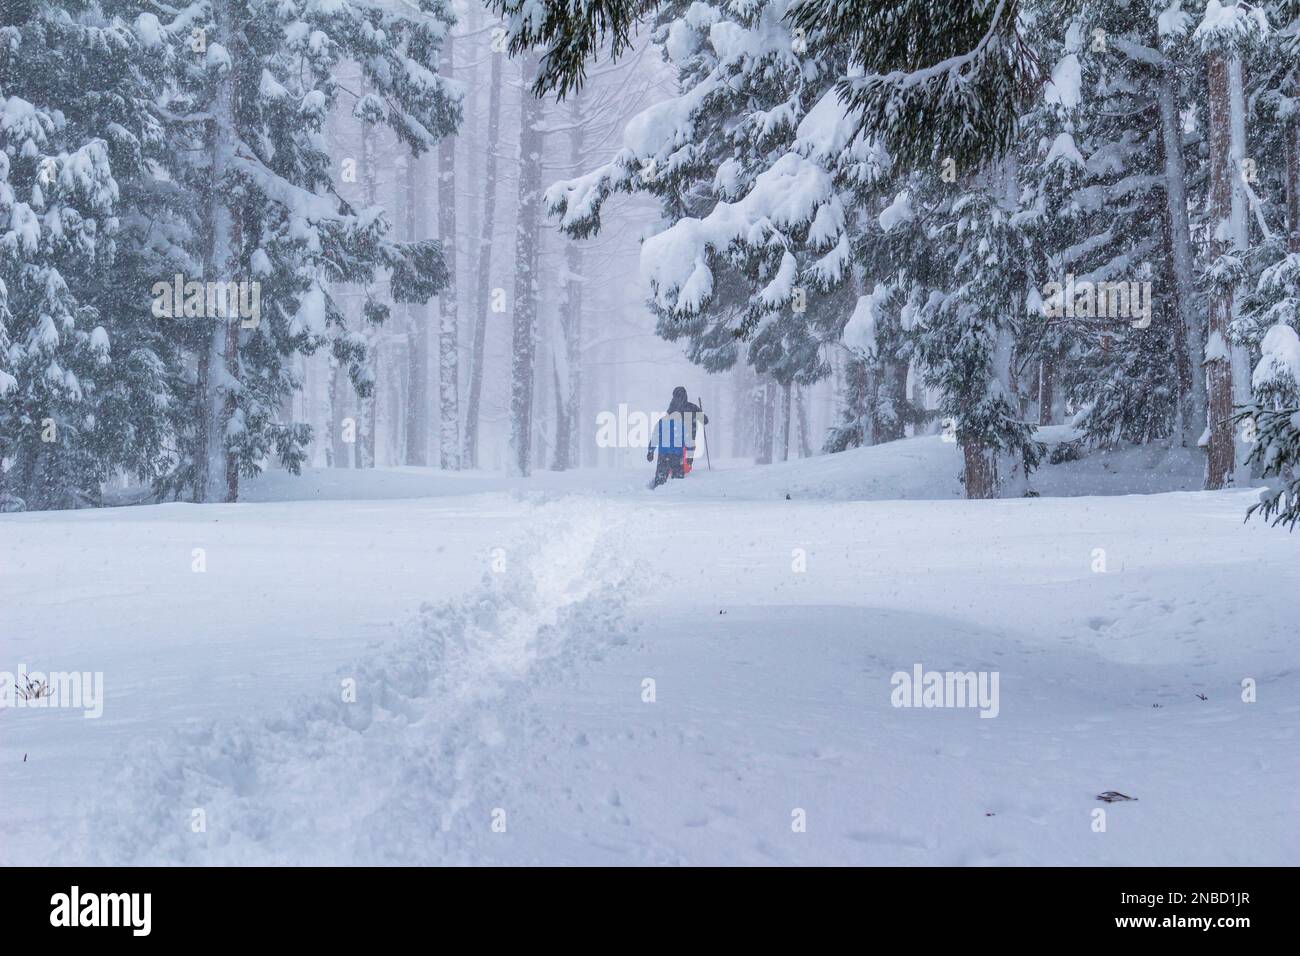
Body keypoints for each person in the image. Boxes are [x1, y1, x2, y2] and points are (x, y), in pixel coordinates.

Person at [647, 387, 708, 488]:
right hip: (685, 441)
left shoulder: (672, 407)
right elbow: (705, 421)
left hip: (669, 447)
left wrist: (651, 450)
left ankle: (662, 482)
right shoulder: (692, 407)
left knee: (665, 470)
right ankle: (678, 478)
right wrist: (700, 413)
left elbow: (658, 433)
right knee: (681, 468)